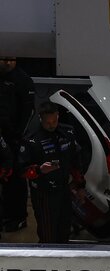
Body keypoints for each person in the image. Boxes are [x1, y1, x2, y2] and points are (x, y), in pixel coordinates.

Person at [18, 102, 84, 243]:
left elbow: (75, 161)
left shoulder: (68, 132)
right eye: (47, 122)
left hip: (64, 190)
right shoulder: (31, 139)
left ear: (58, 115)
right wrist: (39, 170)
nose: (51, 125)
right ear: (40, 119)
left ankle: (63, 254)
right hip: (44, 194)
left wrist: (80, 186)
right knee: (48, 235)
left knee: (64, 230)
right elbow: (22, 171)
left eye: (54, 121)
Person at [0, 56, 35, 232]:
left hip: (14, 138)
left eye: (11, 59)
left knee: (15, 178)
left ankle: (18, 217)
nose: (7, 62)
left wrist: (17, 135)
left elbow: (28, 112)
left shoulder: (23, 80)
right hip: (1, 136)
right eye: (4, 59)